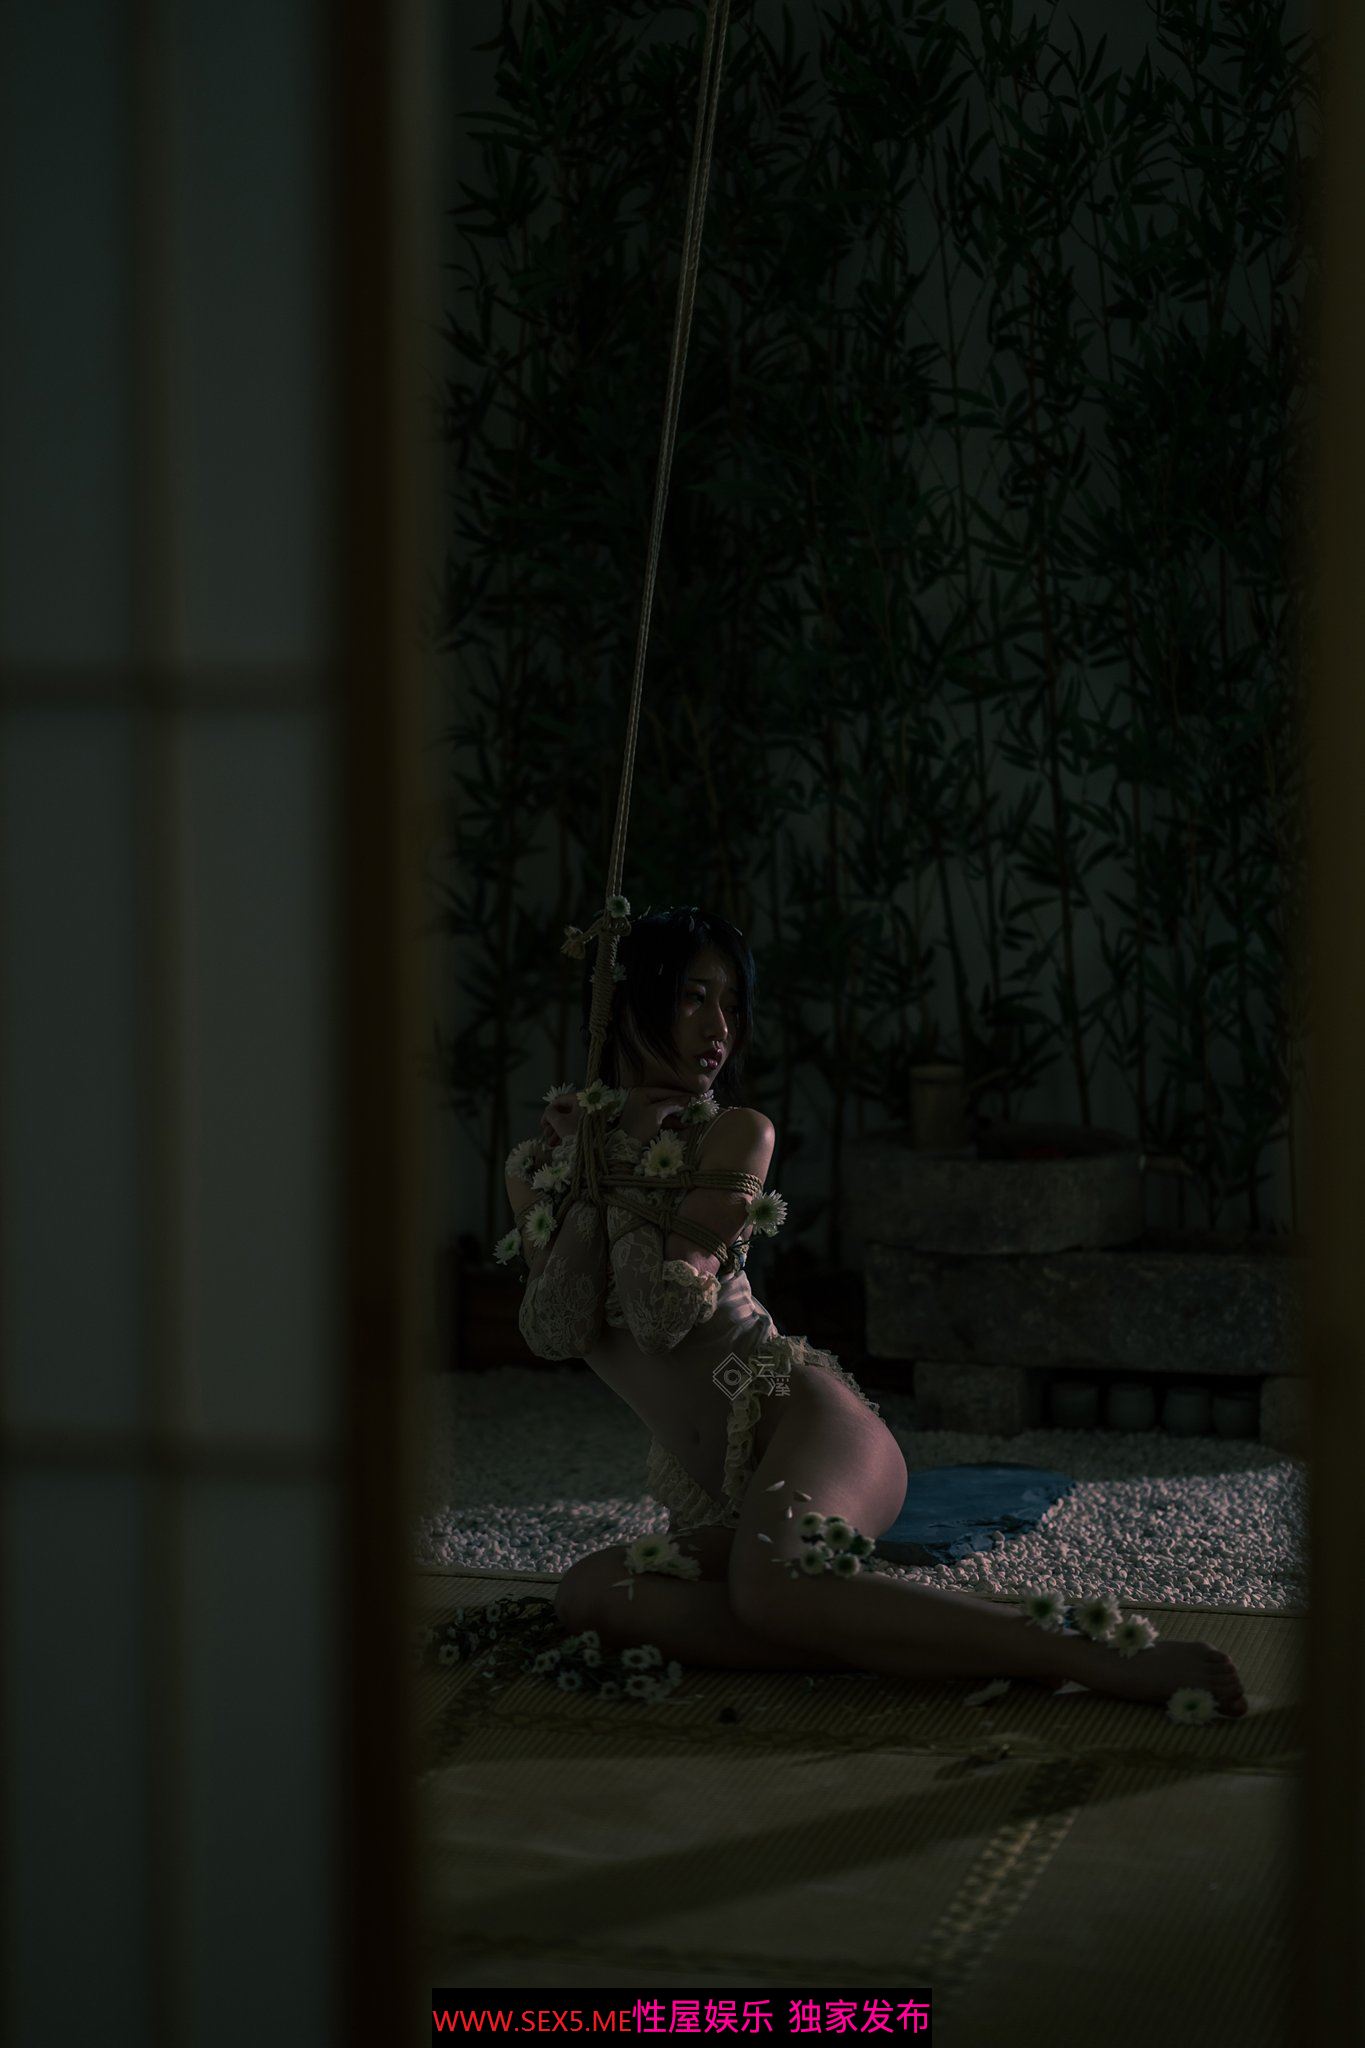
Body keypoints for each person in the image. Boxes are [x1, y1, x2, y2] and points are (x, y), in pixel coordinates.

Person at [502, 906, 1248, 1715]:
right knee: (592, 1596)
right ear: (623, 1004)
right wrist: (590, 1175)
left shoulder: (735, 1134)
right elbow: (554, 1330)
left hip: (815, 1431)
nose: (719, 1029)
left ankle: (1081, 1650)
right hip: (728, 1497)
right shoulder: (543, 1167)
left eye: (732, 1004)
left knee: (770, 1585)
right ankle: (903, 1638)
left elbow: (658, 1317)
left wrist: (621, 1164)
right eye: (692, 997)